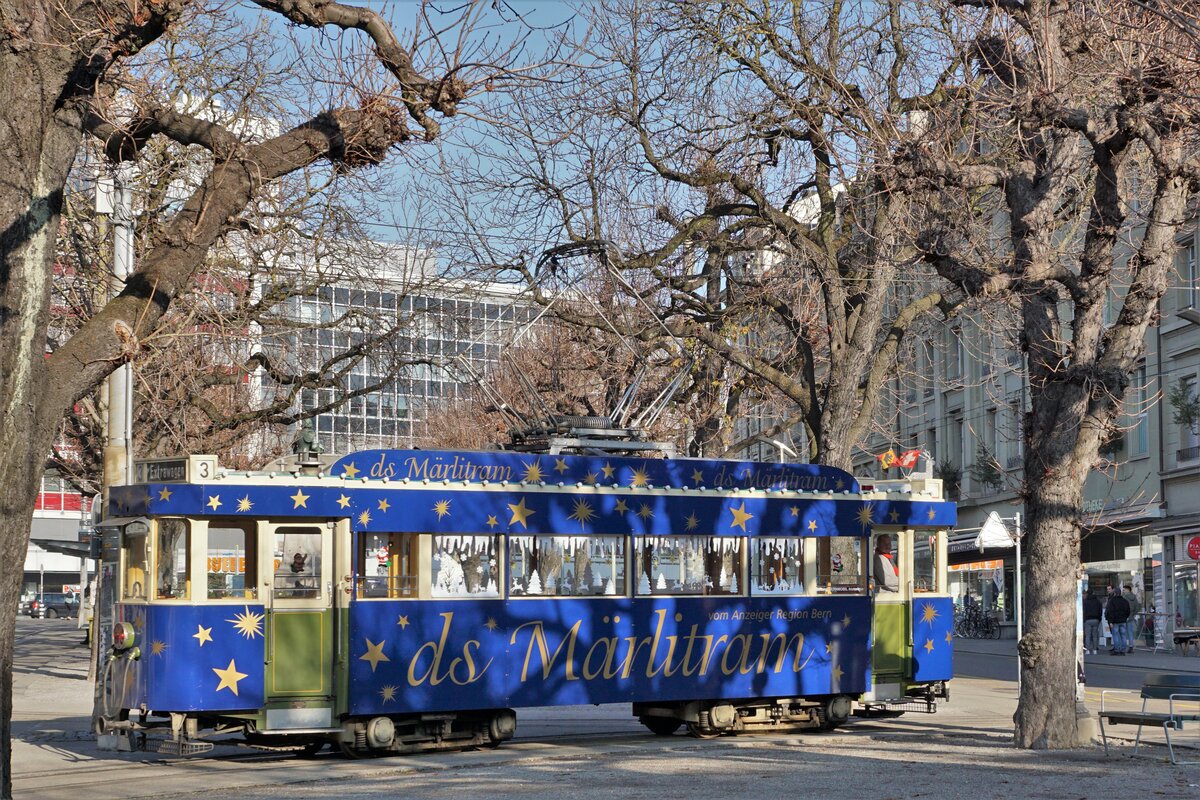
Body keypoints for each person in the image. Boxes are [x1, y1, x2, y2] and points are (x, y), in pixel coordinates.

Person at [1105, 585, 1131, 655]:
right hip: (1123, 621)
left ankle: (1116, 650)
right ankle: (1123, 650)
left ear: (1115, 593)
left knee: (1115, 635)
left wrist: (1110, 621)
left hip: (1115, 621)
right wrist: (1125, 617)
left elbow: (1110, 612)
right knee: (1123, 636)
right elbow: (1128, 611)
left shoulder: (1112, 601)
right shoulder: (1125, 601)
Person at [1122, 584, 1140, 654]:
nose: (1123, 591)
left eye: (1124, 590)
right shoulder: (1134, 597)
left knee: (1123, 632)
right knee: (1130, 632)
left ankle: (1123, 647)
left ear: (1127, 590)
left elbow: (1123, 607)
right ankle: (1131, 646)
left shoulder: (1125, 597)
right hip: (1131, 616)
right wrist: (1133, 614)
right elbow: (1137, 607)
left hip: (1125, 616)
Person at [1082, 589, 1102, 655]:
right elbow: (1100, 611)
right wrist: (1099, 619)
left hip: (1087, 620)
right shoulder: (1097, 601)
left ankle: (1087, 650)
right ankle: (1095, 649)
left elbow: (1084, 611)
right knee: (1095, 635)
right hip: (1096, 619)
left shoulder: (1085, 601)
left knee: (1088, 635)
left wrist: (1084, 619)